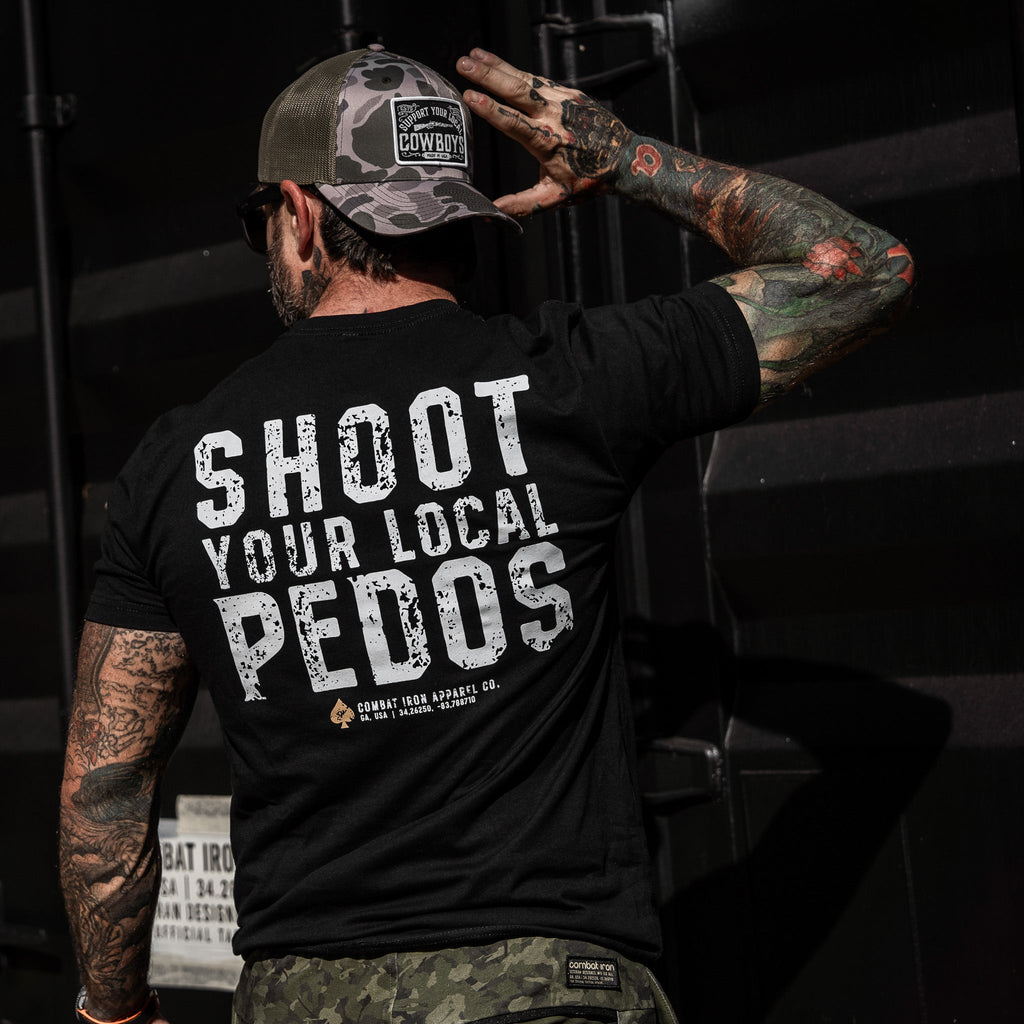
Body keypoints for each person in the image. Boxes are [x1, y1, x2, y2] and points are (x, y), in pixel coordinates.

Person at [59, 44, 913, 1024]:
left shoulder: (178, 463)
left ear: (297, 216)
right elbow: (863, 273)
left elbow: (108, 787)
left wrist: (114, 1008)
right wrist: (624, 157)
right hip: (554, 994)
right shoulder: (574, 378)